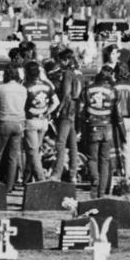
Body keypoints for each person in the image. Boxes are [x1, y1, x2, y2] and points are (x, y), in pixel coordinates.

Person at [81, 66, 122, 198]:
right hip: (107, 126)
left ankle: (94, 180)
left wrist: (83, 125)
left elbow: (81, 110)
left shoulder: (87, 89)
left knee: (92, 158)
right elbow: (117, 113)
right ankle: (102, 192)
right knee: (105, 160)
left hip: (92, 126)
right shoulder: (113, 91)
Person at [24, 61, 59, 182]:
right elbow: (56, 102)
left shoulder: (26, 86)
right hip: (43, 121)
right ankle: (27, 178)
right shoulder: (47, 85)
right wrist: (47, 112)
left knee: (33, 152)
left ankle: (40, 179)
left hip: (30, 120)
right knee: (35, 151)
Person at [50, 49, 82, 182]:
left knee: (60, 142)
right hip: (76, 109)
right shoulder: (79, 73)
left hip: (67, 110)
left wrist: (59, 109)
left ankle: (57, 173)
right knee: (73, 143)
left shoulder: (68, 73)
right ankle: (73, 173)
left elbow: (66, 93)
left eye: (61, 61)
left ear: (67, 60)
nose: (60, 64)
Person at [0, 64, 27, 192]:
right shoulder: (23, 89)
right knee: (13, 157)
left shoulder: (0, 88)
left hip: (4, 121)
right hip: (19, 123)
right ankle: (9, 186)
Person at [113, 62, 130, 178]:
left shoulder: (114, 87)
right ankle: (129, 177)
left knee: (115, 151)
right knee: (128, 153)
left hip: (116, 121)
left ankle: (118, 174)